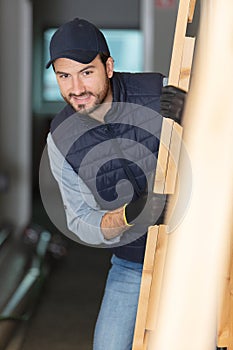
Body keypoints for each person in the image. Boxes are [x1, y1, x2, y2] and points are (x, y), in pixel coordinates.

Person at [46, 18, 185, 350]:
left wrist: (196, 112)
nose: (76, 88)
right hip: (131, 263)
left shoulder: (158, 91)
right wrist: (129, 215)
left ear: (108, 66)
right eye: (64, 76)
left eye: (86, 72)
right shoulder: (60, 139)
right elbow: (80, 218)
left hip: (192, 251)